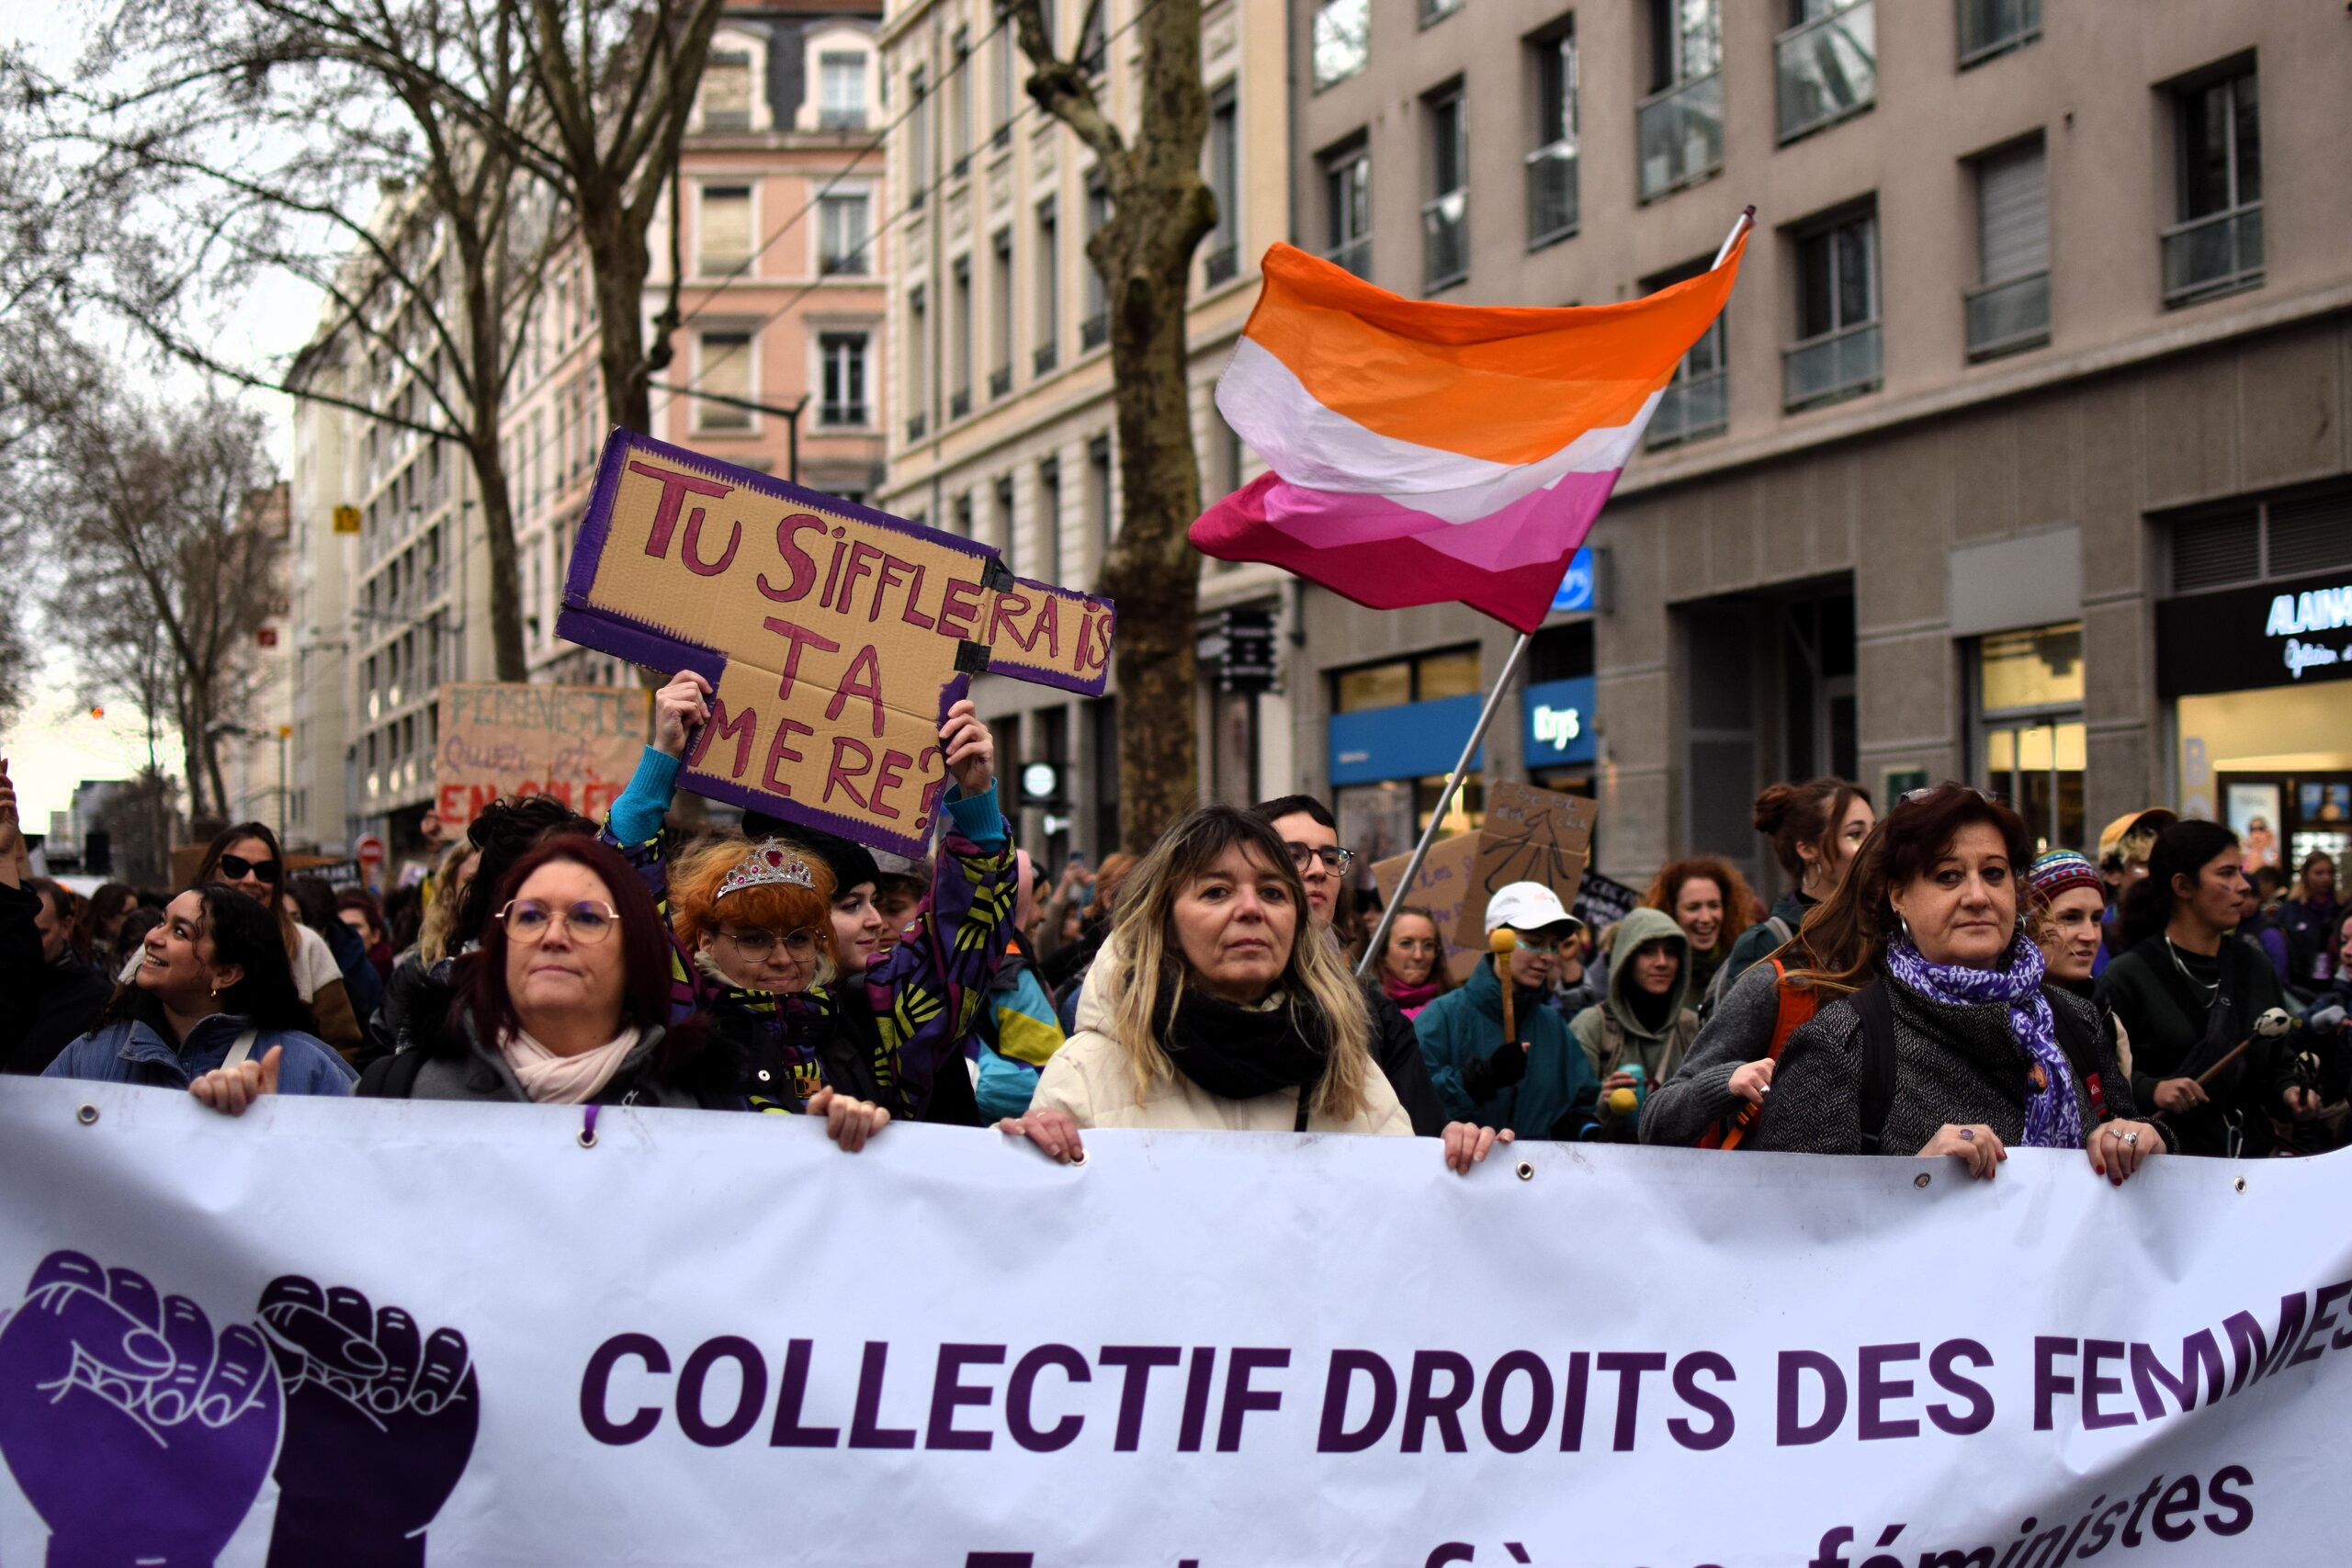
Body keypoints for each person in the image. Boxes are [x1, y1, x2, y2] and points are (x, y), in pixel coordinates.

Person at [603, 670, 1017, 1127]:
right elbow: (620, 905)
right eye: (755, 940)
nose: (782, 959)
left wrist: (975, 801)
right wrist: (661, 760)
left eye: (799, 939)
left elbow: (956, 953)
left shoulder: (873, 1022)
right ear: (704, 941)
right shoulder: (679, 1020)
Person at [1000, 806, 1508, 1173]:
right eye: (1217, 891)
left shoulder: (1348, 1067)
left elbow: (1405, 1220)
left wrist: (1457, 1163)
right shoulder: (1085, 1072)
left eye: (1271, 892)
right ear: (1165, 921)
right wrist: (1027, 1158)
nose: (1251, 910)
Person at [1748, 784, 2168, 1182]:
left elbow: (2129, 1141)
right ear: (1898, 895)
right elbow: (1794, 1222)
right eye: (1948, 876)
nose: (1977, 896)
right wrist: (1913, 1179)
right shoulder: (1842, 1042)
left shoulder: (2076, 1020)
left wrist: (2145, 1140)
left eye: (1994, 873)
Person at [355, 836, 777, 1115]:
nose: (553, 936)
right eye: (531, 916)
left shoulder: (704, 1104)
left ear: (636, 950)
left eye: (588, 918)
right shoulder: (396, 1091)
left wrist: (823, 1145)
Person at [2096, 820, 2317, 1157]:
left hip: (2252, 1165)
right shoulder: (2128, 975)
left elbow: (2278, 1062)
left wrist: (2290, 1090)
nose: (2244, 886)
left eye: (2240, 872)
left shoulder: (2254, 965)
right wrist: (2151, 1089)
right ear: (2183, 886)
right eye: (2227, 873)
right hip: (2169, 1168)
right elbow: (2101, 1075)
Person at [44, 885, 355, 1105]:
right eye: (162, 922)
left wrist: (269, 1123)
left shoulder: (308, 1068)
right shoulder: (92, 1057)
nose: (152, 937)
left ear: (226, 973)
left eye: (180, 932)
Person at [1251, 795, 1448, 1135]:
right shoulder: (1190, 999)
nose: (1317, 871)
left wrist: (1459, 1141)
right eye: (1294, 855)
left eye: (1330, 857)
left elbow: (1425, 1141)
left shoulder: (1377, 1018)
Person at [1414, 882, 1602, 1141]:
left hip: (1536, 1176)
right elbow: (1413, 1101)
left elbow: (1579, 1101)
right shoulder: (1442, 1016)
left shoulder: (1553, 1026)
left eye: (1553, 946)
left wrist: (1581, 1127)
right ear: (1495, 938)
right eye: (1535, 943)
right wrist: (1479, 1079)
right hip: (1461, 1175)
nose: (1547, 956)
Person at [195, 824, 363, 1055]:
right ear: (212, 870)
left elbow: (342, 1043)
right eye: (236, 867)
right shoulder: (170, 940)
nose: (251, 879)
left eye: (265, 870)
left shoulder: (307, 945)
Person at [1710, 778, 1874, 1007]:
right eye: (1855, 834)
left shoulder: (1883, 930)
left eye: (1874, 830)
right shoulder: (1767, 944)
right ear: (1807, 849)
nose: (1873, 844)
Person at [1568, 905, 1699, 1138]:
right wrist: (1602, 1100)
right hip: (1605, 1167)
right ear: (1626, 958)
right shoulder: (1593, 1025)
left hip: (1681, 1166)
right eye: (1648, 951)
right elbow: (1565, 1117)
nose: (1662, 962)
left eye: (1670, 952)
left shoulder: (1692, 1027)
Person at [1, 876, 117, 1075]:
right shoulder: (5, 991)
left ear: (66, 927)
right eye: (22, 932)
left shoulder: (96, 997)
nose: (30, 942)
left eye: (42, 933)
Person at [1642, 856, 1757, 1003]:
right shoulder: (1656, 970)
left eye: (1713, 905)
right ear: (1671, 911)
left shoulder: (1745, 967)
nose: (1705, 918)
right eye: (1693, 908)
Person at [2278, 850, 2341, 993]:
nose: (2326, 878)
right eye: (2319, 873)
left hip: (2336, 985)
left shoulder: (2341, 909)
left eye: (2330, 873)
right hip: (2300, 985)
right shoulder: (2290, 911)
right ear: (2305, 876)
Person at [1373, 904, 1452, 1020]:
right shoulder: (1366, 1011)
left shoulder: (1456, 1009)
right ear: (1383, 951)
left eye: (1428, 945)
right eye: (1406, 943)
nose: (1418, 956)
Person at [336, 889, 398, 985]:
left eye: (355, 927)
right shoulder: (332, 976)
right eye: (341, 928)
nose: (347, 933)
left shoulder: (397, 977)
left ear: (375, 935)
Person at [73, 882, 138, 964]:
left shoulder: (130, 951)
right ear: (105, 915)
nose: (136, 918)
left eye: (137, 912)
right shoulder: (82, 954)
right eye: (129, 913)